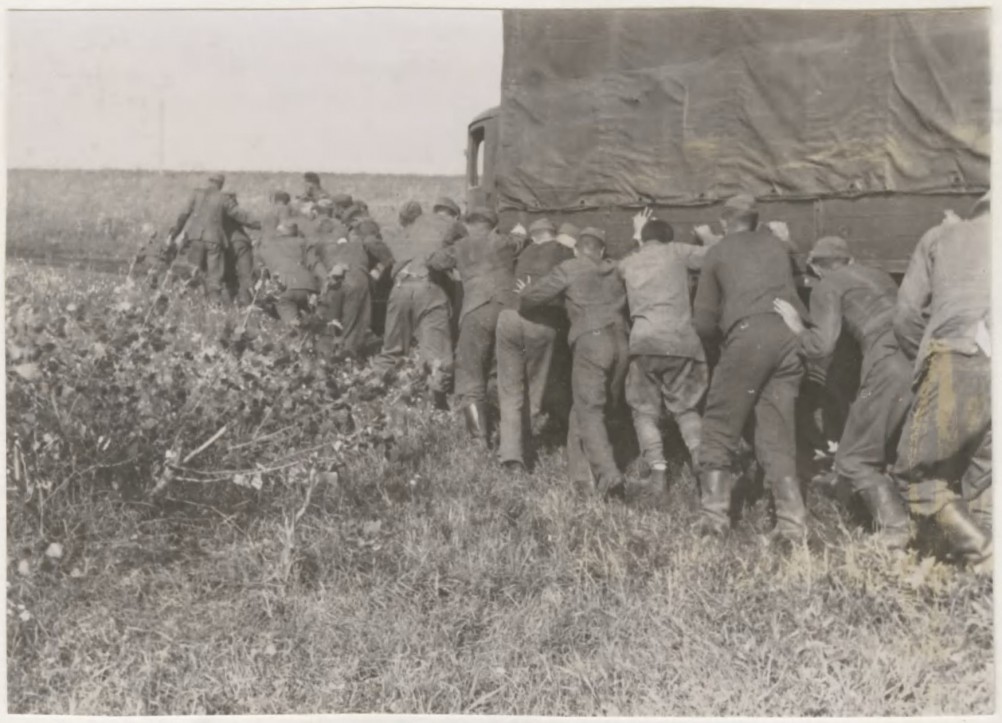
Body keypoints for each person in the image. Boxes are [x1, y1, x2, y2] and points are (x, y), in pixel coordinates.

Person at [773, 236, 912, 548]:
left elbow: (822, 347)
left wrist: (797, 327)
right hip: (918, 356)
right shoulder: (879, 274)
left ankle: (895, 530)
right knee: (896, 446)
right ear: (848, 259)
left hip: (888, 363)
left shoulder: (827, 285)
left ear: (818, 269)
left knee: (853, 458)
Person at [692, 195, 809, 542]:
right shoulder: (777, 244)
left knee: (718, 423)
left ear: (723, 223)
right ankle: (792, 524)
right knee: (776, 429)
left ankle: (714, 521)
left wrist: (724, 344)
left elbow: (703, 321)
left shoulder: (717, 251)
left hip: (749, 336)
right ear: (755, 221)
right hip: (789, 338)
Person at [891, 193, 991, 571]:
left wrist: (929, 360)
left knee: (917, 474)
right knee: (987, 476)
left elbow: (905, 315)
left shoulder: (940, 236)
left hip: (956, 353)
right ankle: (982, 574)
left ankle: (984, 554)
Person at [518, 227, 629, 496]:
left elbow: (535, 295)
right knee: (589, 407)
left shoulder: (570, 267)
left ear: (578, 250)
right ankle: (581, 479)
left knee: (588, 409)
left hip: (592, 343)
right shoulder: (616, 268)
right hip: (622, 343)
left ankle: (607, 472)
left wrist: (526, 291)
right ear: (601, 251)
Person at [619, 212, 717, 504]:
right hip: (680, 343)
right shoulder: (677, 252)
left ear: (645, 239)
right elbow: (714, 255)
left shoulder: (628, 262)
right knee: (686, 409)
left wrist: (637, 236)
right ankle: (701, 458)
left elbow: (626, 265)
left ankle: (658, 473)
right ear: (668, 238)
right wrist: (707, 234)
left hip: (643, 343)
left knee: (644, 411)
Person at [428, 207, 521, 443]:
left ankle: (479, 437)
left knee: (470, 374)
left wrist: (451, 238)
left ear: (468, 226)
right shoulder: (506, 241)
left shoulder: (460, 246)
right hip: (509, 310)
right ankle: (513, 432)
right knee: (508, 372)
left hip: (476, 311)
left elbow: (435, 260)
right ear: (494, 226)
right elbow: (522, 239)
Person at [496, 217, 575, 473]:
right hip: (540, 325)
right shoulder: (564, 252)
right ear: (554, 233)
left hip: (508, 318)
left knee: (510, 389)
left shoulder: (526, 250)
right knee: (534, 387)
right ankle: (526, 445)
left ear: (535, 236)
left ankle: (511, 455)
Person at [370, 198, 466, 408]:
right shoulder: (455, 226)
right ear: (455, 215)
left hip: (400, 287)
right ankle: (436, 407)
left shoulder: (414, 224)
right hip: (429, 288)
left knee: (391, 350)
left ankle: (372, 397)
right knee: (436, 354)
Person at [166, 173, 260, 304]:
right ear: (221, 184)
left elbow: (183, 215)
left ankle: (190, 300)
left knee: (193, 270)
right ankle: (214, 302)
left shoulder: (195, 194)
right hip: (214, 240)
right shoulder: (223, 198)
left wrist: (174, 233)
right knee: (214, 274)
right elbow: (240, 215)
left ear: (209, 181)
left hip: (196, 238)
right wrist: (262, 224)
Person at [324, 217, 394, 359]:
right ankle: (348, 359)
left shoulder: (335, 244)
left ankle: (327, 357)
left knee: (332, 323)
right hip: (355, 281)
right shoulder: (367, 242)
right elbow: (389, 260)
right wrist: (376, 272)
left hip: (332, 282)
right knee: (355, 325)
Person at [255, 221, 323, 328]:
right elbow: (315, 264)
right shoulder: (304, 243)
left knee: (293, 325)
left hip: (284, 288)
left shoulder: (267, 246)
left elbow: (260, 271)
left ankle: (295, 333)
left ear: (278, 233)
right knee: (312, 322)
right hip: (308, 287)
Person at [221, 191, 256, 306]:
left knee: (227, 277)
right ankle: (248, 304)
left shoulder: (212, 210)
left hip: (224, 245)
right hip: (241, 244)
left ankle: (230, 305)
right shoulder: (231, 207)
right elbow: (248, 220)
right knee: (246, 275)